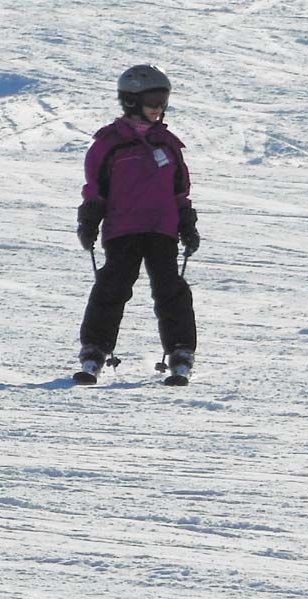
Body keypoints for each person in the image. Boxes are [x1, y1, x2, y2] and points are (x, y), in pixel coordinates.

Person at [75, 64, 200, 386]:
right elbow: (95, 188)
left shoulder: (168, 144)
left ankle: (181, 351)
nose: (159, 107)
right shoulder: (110, 143)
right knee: (112, 287)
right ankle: (94, 350)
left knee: (170, 290)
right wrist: (89, 219)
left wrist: (187, 221)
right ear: (131, 101)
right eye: (153, 99)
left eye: (163, 99)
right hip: (123, 229)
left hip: (162, 229)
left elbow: (179, 191)